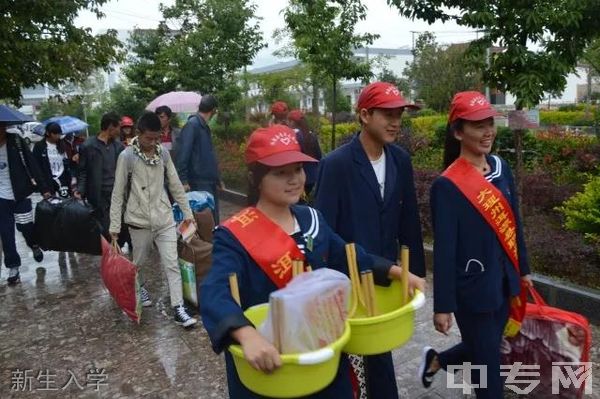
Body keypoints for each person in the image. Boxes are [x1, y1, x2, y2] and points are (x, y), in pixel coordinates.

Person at [200, 124, 425, 399]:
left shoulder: (311, 218)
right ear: (255, 177)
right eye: (280, 173)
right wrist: (247, 335)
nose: (294, 179)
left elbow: (348, 257)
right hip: (275, 365)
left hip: (322, 356)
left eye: (297, 169)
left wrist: (397, 272)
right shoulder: (233, 235)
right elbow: (215, 290)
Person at [313, 81, 426, 399]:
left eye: (399, 115)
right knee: (350, 360)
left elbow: (409, 220)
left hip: (387, 278)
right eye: (387, 114)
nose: (395, 122)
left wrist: (414, 271)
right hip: (347, 278)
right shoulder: (336, 165)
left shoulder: (400, 160)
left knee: (379, 356)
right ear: (364, 115)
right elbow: (323, 231)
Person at [419, 91, 533, 399]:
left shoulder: (501, 168)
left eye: (490, 123)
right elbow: (444, 250)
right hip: (473, 290)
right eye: (477, 125)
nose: (488, 132)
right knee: (488, 373)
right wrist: (443, 306)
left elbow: (514, 222)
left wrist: (523, 269)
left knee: (485, 346)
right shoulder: (447, 185)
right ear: (458, 132)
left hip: (505, 281)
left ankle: (437, 361)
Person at [109, 112, 197, 327]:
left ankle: (178, 308)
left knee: (172, 264)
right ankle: (139, 287)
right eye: (149, 138)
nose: (153, 142)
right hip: (138, 222)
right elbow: (118, 192)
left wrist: (188, 214)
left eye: (157, 138)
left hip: (164, 218)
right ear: (139, 134)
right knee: (137, 264)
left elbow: (175, 185)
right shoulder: (127, 156)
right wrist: (114, 226)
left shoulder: (163, 155)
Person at [0, 124, 51, 284]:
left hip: (20, 194)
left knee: (26, 227)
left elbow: (32, 165)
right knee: (6, 233)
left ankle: (34, 244)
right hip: (1, 198)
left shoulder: (16, 141)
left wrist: (44, 189)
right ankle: (13, 267)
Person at [74, 112, 127, 244]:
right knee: (107, 230)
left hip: (117, 195)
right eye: (118, 127)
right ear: (110, 127)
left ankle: (117, 257)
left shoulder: (119, 147)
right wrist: (80, 189)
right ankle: (113, 259)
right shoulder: (88, 146)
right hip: (99, 196)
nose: (120, 131)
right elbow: (82, 171)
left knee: (122, 230)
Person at [177, 94, 222, 223]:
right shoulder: (193, 125)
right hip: (198, 181)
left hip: (209, 180)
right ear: (213, 110)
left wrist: (218, 178)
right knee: (204, 219)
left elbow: (209, 154)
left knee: (213, 218)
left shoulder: (203, 126)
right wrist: (184, 180)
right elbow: (183, 154)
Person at [287, 109, 322, 197]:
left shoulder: (293, 136)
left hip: (300, 176)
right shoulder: (311, 135)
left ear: (293, 122)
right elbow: (319, 155)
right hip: (313, 175)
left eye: (289, 121)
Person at [32, 122, 72, 198]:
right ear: (48, 133)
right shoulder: (39, 146)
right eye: (55, 134)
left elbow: (66, 162)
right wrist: (43, 188)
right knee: (52, 205)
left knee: (65, 202)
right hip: (48, 180)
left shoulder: (62, 144)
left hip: (62, 178)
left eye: (59, 134)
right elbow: (36, 168)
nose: (58, 136)